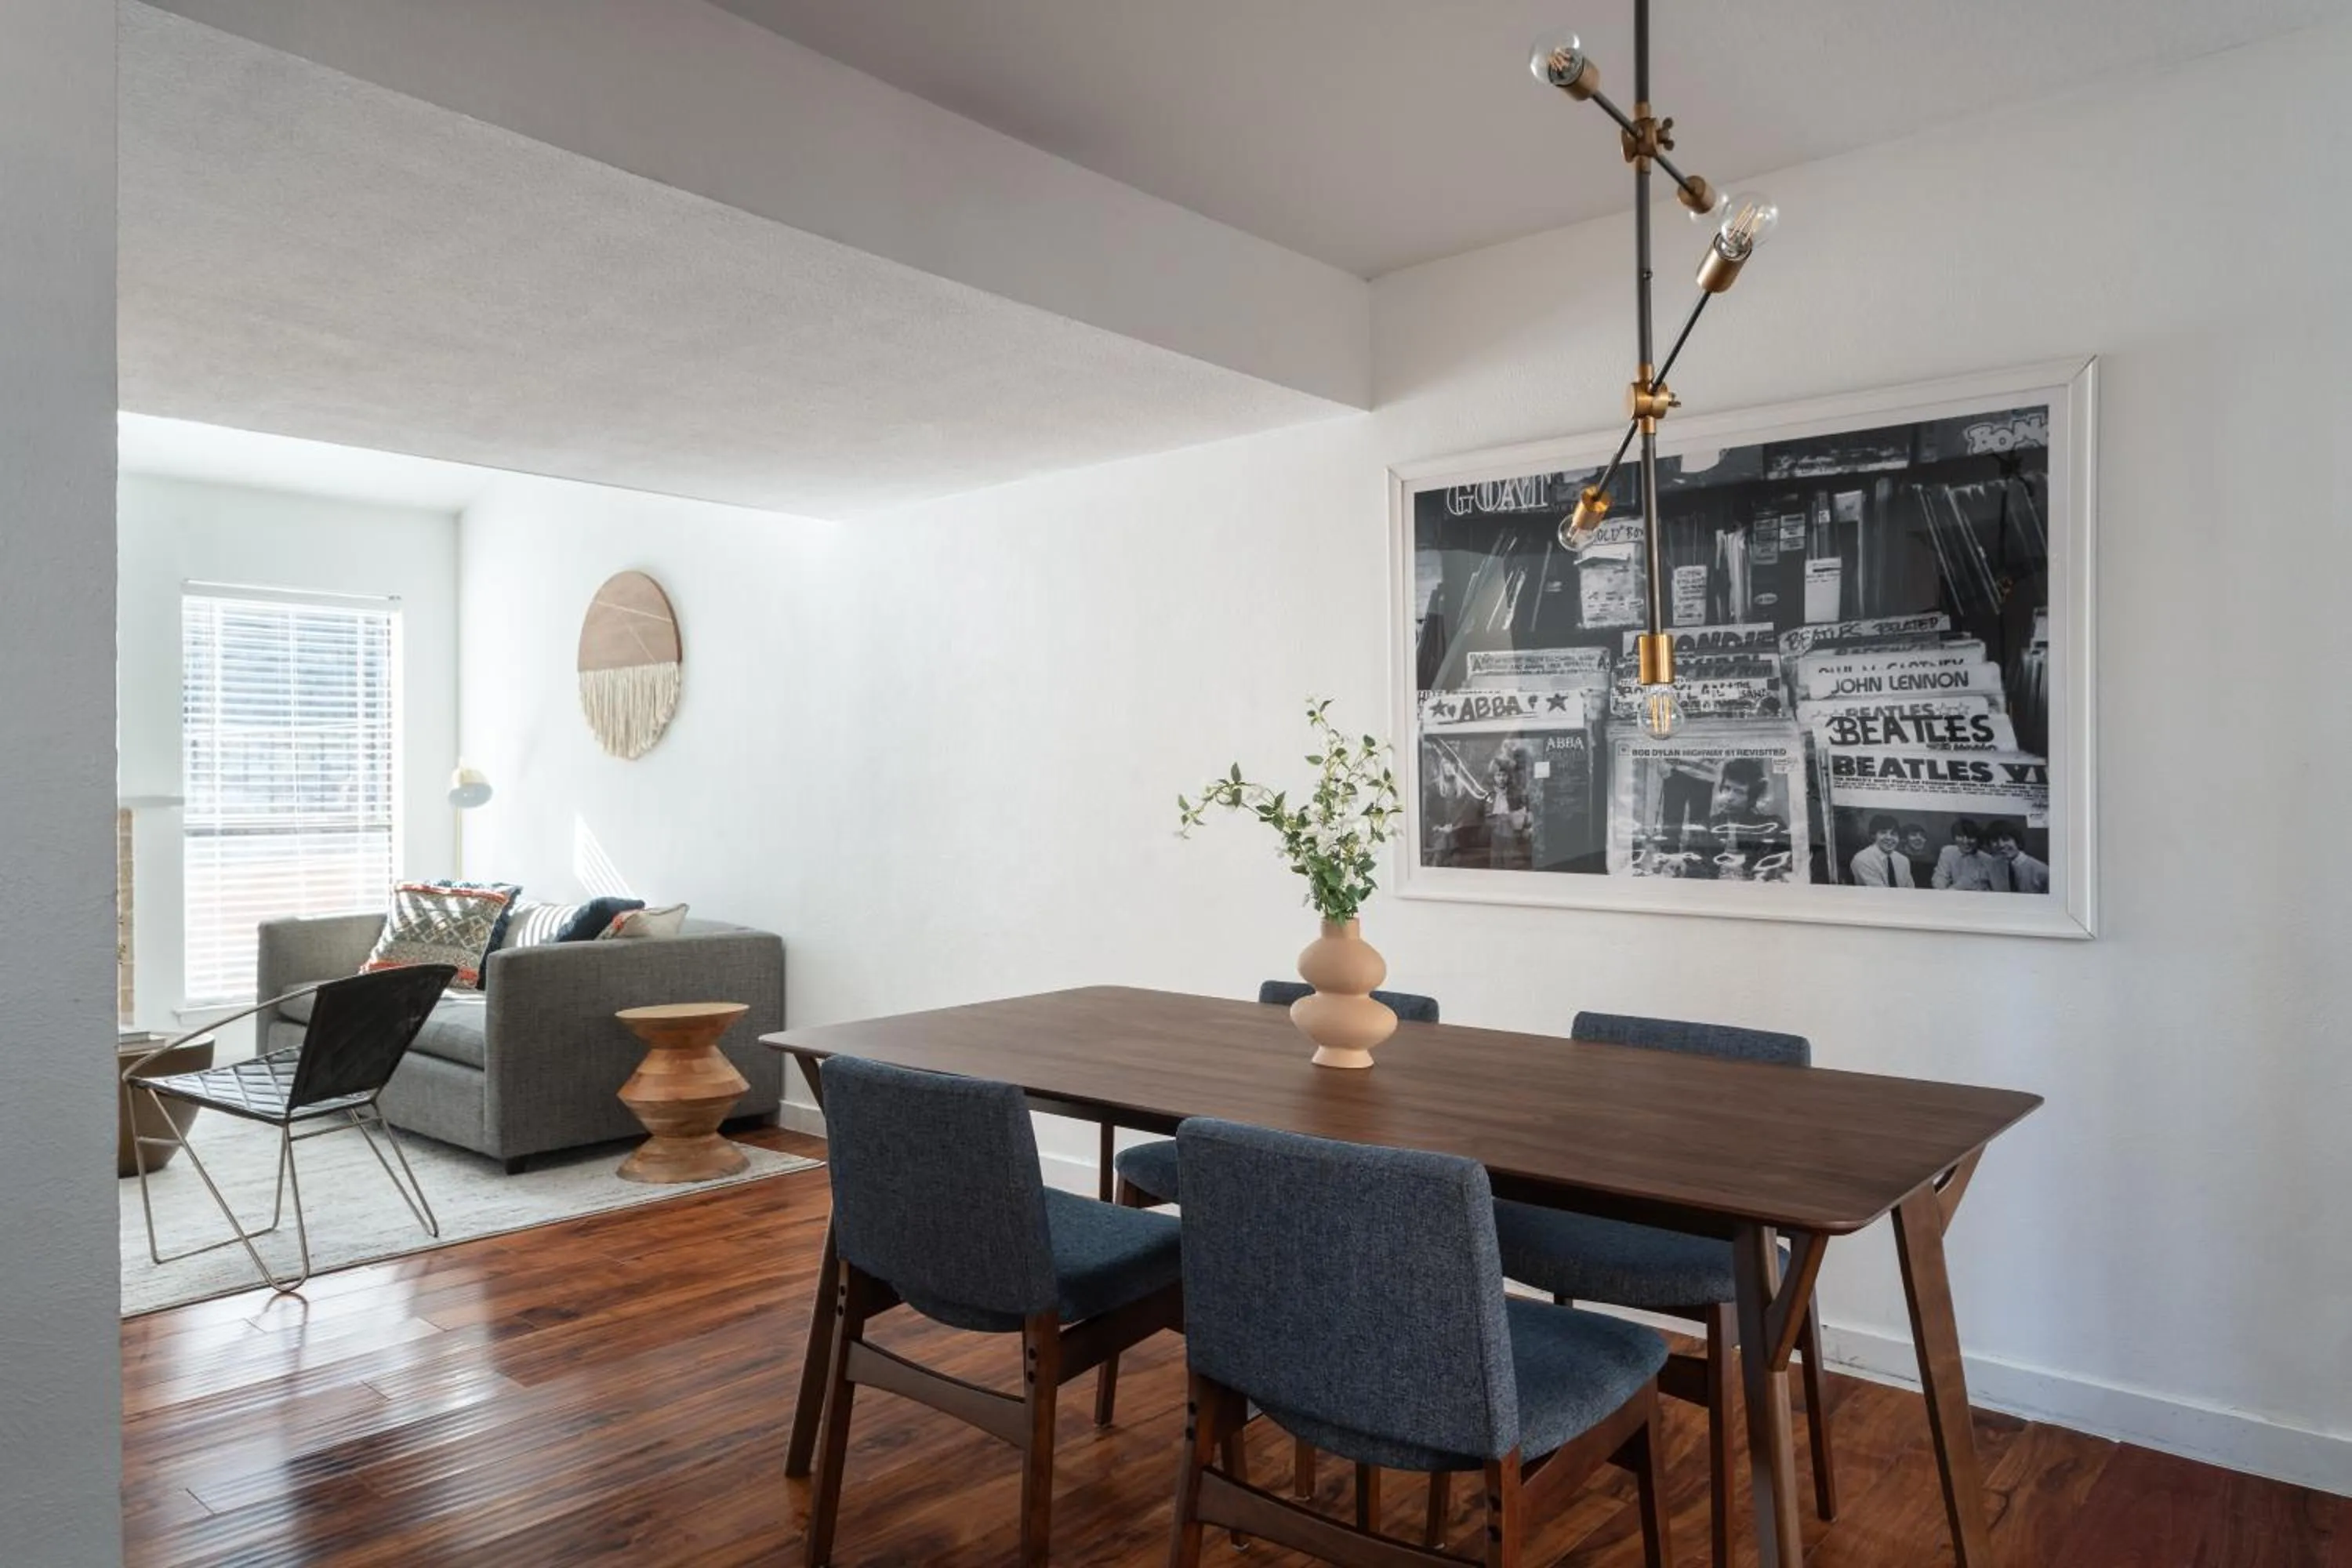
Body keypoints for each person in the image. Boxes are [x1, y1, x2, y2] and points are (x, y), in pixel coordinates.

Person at [1704, 757, 1790, 880]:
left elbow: (1779, 870)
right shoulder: (1710, 824)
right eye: (1727, 788)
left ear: (1752, 798)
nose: (1729, 797)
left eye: (1739, 792)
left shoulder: (1772, 827)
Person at [1930, 818, 2009, 891]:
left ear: (1977, 839)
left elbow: (1999, 890)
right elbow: (1940, 877)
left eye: (1970, 837)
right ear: (1954, 838)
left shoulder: (1987, 859)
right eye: (1960, 836)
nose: (1966, 841)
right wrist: (1943, 892)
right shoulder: (1948, 852)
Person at [1849, 814, 1915, 887]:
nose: (1889, 837)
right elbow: (1880, 894)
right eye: (1883, 832)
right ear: (1874, 836)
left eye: (1893, 834)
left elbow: (1910, 890)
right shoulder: (1862, 859)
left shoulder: (1903, 860)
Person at [1985, 820, 2050, 894]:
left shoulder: (2042, 871)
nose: (2001, 845)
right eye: (1995, 840)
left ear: (2017, 841)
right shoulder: (1990, 867)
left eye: (2006, 839)